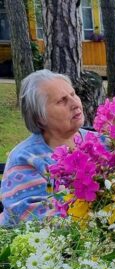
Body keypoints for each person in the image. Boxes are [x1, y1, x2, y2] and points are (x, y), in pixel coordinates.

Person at [0, 69, 86, 227]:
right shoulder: (24, 159)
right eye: (61, 101)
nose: (75, 104)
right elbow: (35, 221)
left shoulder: (103, 142)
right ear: (40, 118)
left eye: (73, 94)